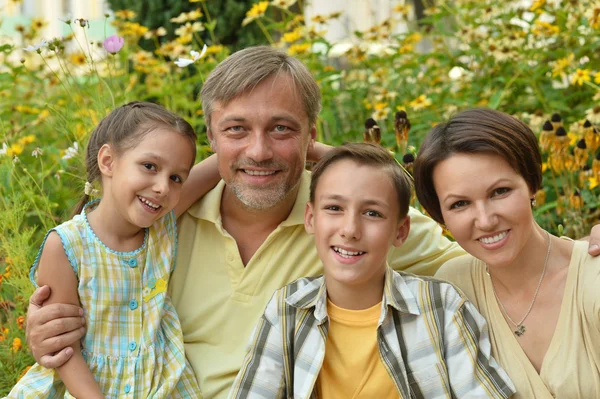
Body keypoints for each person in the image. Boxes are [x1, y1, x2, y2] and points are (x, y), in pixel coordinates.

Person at [24, 47, 600, 399]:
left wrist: (587, 248)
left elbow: (483, 230)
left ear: (311, 133)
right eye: (236, 131)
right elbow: (91, 258)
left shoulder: (348, 226)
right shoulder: (160, 224)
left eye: (282, 129)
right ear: (209, 137)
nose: (259, 151)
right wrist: (48, 329)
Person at [229, 143, 516, 398]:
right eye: (334, 208)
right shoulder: (287, 310)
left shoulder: (441, 308)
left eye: (372, 213)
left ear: (400, 231)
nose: (350, 230)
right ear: (311, 219)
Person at [7, 102, 217, 398]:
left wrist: (305, 151)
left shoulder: (162, 226)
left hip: (157, 384)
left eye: (176, 178)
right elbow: (62, 345)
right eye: (149, 166)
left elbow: (226, 160)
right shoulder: (66, 245)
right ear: (108, 161)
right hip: (85, 388)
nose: (163, 187)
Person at [413, 108, 600, 398]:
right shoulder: (453, 289)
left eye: (499, 192)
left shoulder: (593, 277)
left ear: (532, 184)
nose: (485, 220)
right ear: (440, 216)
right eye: (460, 204)